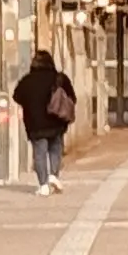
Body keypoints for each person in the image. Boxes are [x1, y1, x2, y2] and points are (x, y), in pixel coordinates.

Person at [13, 45, 74, 194]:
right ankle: (53, 175)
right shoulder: (60, 79)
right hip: (56, 122)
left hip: (35, 124)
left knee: (39, 153)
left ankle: (43, 185)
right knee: (56, 148)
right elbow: (72, 97)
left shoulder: (27, 80)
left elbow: (17, 96)